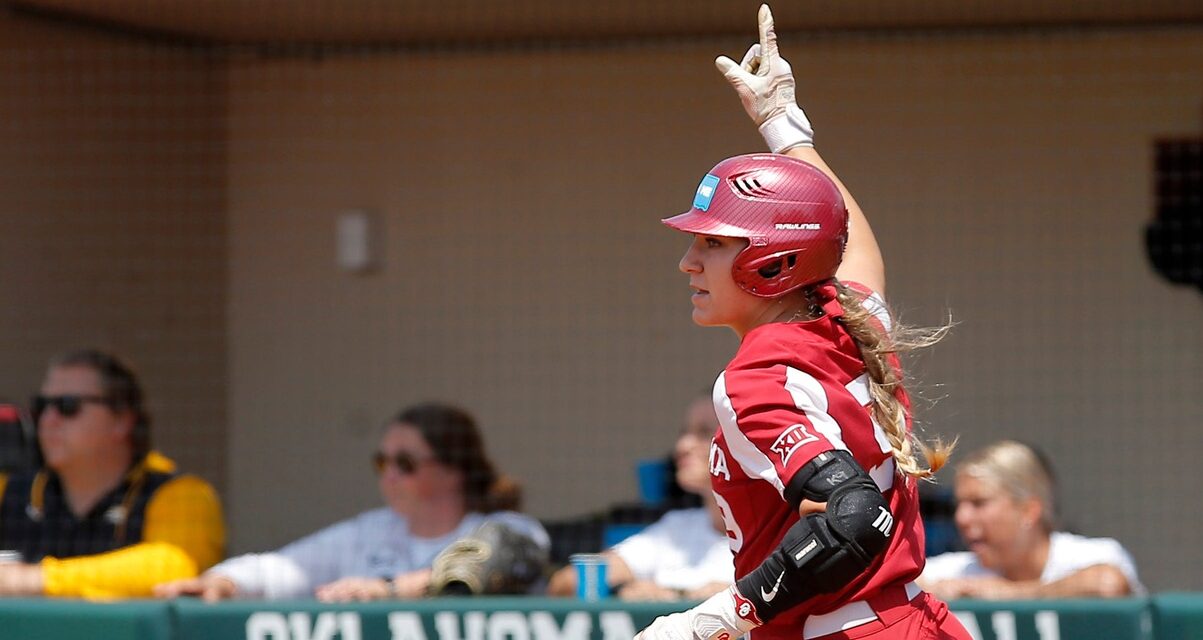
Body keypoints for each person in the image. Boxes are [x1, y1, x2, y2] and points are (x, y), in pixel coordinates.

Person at [635, 6, 972, 640]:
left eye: (713, 243)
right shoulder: (849, 319)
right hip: (918, 622)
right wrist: (786, 130)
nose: (688, 262)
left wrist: (712, 621)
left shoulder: (757, 376)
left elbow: (854, 518)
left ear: (776, 258)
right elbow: (852, 242)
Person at [154, 402, 548, 602]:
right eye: (382, 461)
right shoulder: (370, 531)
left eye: (405, 463)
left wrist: (388, 591)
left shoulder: (508, 528)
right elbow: (280, 569)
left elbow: (496, 559)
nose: (388, 475)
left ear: (455, 469)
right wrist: (222, 582)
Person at [0, 348, 225, 598]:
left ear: (122, 420)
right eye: (41, 406)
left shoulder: (181, 493)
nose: (48, 420)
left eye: (68, 406)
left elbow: (177, 566)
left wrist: (34, 579)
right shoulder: (12, 489)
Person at [547, 395, 733, 601]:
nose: (682, 446)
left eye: (704, 432)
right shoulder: (676, 528)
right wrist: (625, 589)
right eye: (684, 433)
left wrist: (680, 594)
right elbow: (567, 582)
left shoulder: (773, 534)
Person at [919, 440, 1143, 600]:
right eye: (959, 505)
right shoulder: (963, 571)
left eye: (979, 503)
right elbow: (903, 582)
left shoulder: (1090, 556)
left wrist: (1010, 594)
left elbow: (1107, 584)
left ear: (1029, 511)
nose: (962, 518)